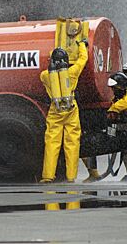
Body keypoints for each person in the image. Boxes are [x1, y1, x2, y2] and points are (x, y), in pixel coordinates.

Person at [39, 40, 88, 183]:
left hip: (55, 110)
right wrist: (82, 45)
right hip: (71, 109)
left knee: (52, 143)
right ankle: (71, 177)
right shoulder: (72, 73)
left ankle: (47, 176)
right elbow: (82, 59)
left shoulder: (45, 76)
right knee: (72, 143)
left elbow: (47, 71)